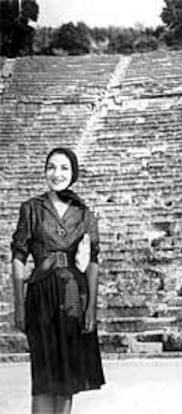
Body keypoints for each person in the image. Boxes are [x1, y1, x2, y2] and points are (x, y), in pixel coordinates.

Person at [11, 147, 105, 414]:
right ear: (44, 171)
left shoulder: (84, 214)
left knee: (67, 379)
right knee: (43, 378)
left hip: (74, 298)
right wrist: (18, 303)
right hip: (40, 296)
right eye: (51, 167)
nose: (57, 173)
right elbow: (18, 257)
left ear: (73, 173)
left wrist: (91, 309)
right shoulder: (31, 208)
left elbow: (93, 261)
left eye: (64, 168)